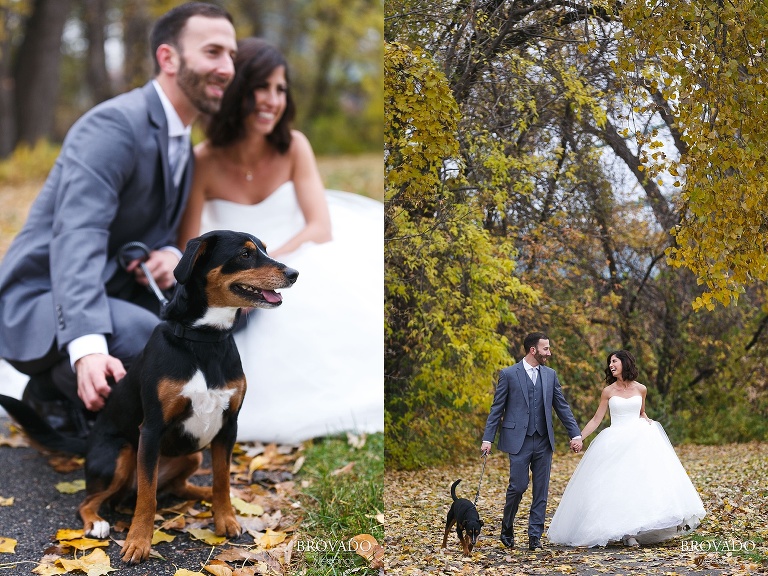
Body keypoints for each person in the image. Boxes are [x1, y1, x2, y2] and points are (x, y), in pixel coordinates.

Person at [0, 3, 237, 436]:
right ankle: (52, 387)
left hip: (118, 284)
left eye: (231, 56)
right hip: (44, 295)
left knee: (227, 300)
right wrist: (87, 345)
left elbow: (151, 223)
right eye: (213, 52)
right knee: (152, 339)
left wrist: (167, 253)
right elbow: (78, 236)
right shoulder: (113, 125)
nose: (226, 67)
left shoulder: (180, 138)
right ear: (168, 58)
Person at [178, 37, 383, 444]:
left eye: (281, 89)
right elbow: (190, 243)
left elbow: (319, 226)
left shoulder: (294, 147)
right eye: (262, 87)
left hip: (296, 252)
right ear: (238, 90)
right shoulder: (203, 160)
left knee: (316, 303)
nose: (272, 100)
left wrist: (267, 270)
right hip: (238, 269)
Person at [546, 350, 706, 547]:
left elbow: (641, 412)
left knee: (640, 484)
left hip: (639, 439)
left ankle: (637, 528)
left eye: (615, 361)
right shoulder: (608, 391)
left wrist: (649, 424)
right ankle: (625, 532)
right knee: (617, 485)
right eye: (610, 362)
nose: (611, 365)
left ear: (625, 363)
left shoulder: (641, 389)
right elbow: (597, 419)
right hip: (615, 440)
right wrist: (579, 438)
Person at [481, 333, 583, 550]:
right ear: (533, 350)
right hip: (518, 440)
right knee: (518, 487)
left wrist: (575, 434)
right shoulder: (508, 374)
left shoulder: (550, 375)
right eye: (546, 349)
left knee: (541, 490)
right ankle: (507, 526)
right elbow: (496, 409)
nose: (549, 352)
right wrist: (487, 438)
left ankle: (534, 536)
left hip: (544, 440)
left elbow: (561, 406)